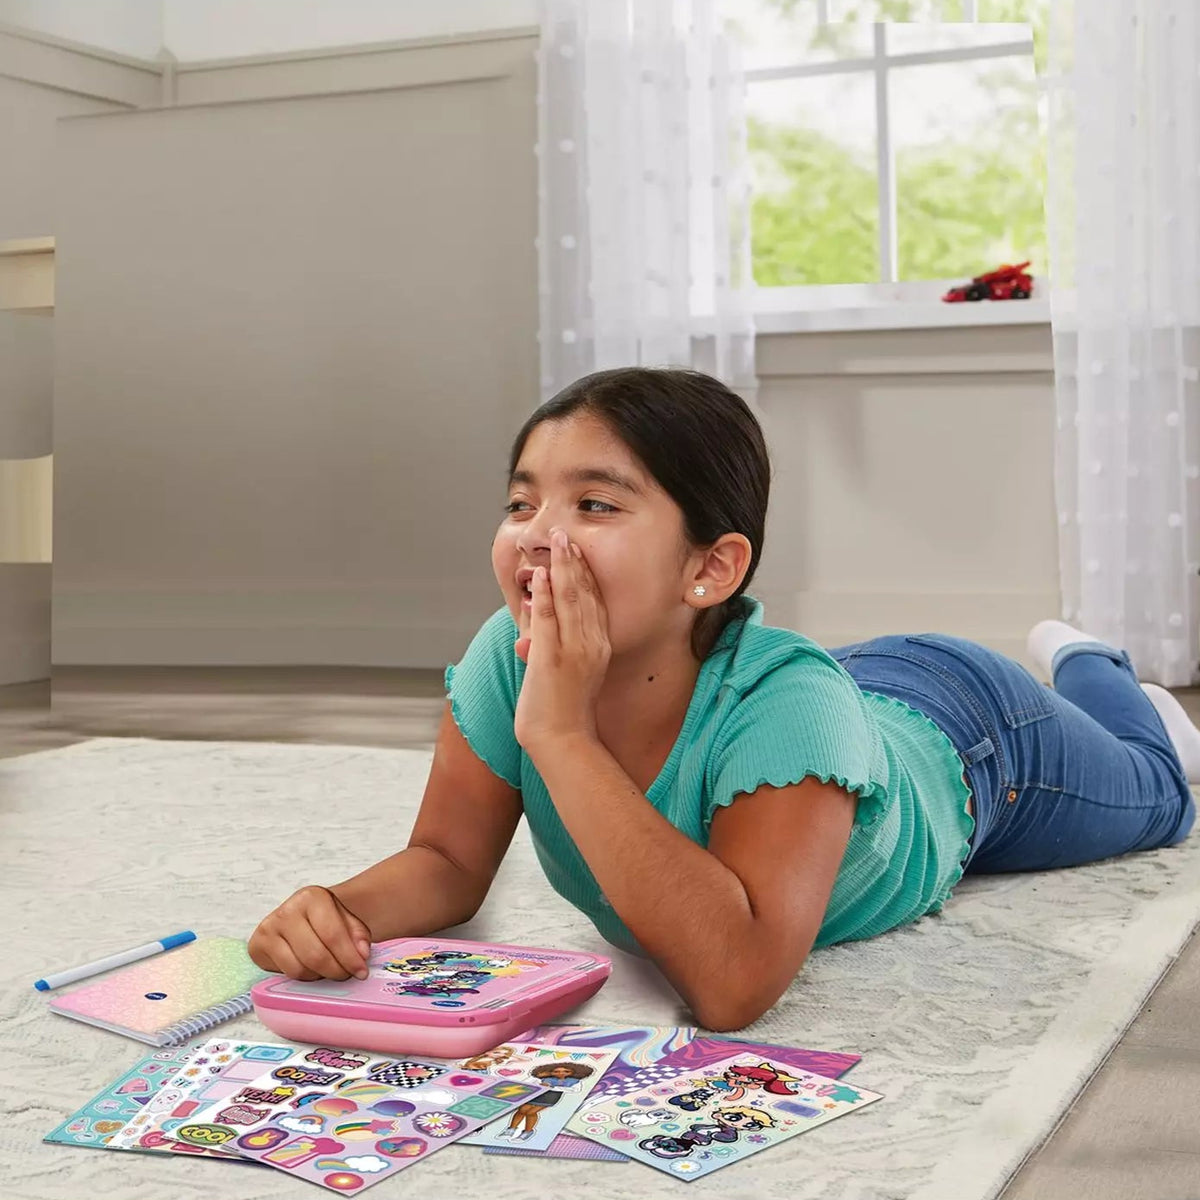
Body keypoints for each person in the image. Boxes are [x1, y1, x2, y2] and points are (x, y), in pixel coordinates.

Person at [248, 367, 1198, 1031]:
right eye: (521, 502)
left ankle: (1095, 671)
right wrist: (338, 907)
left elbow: (735, 982)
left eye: (596, 504)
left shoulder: (787, 703)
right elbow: (449, 860)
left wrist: (561, 733)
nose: (539, 535)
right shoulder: (509, 652)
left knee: (1165, 795)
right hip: (840, 694)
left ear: (710, 567)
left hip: (978, 744)